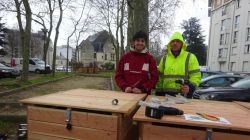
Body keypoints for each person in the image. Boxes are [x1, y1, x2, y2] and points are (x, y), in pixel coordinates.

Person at [156, 32, 201, 98]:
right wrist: (158, 93)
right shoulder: (164, 58)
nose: (175, 43)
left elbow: (196, 76)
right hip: (166, 97)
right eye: (173, 41)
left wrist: (190, 87)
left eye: (178, 41)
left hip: (184, 97)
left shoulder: (190, 57)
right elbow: (160, 78)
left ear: (182, 44)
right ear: (170, 44)